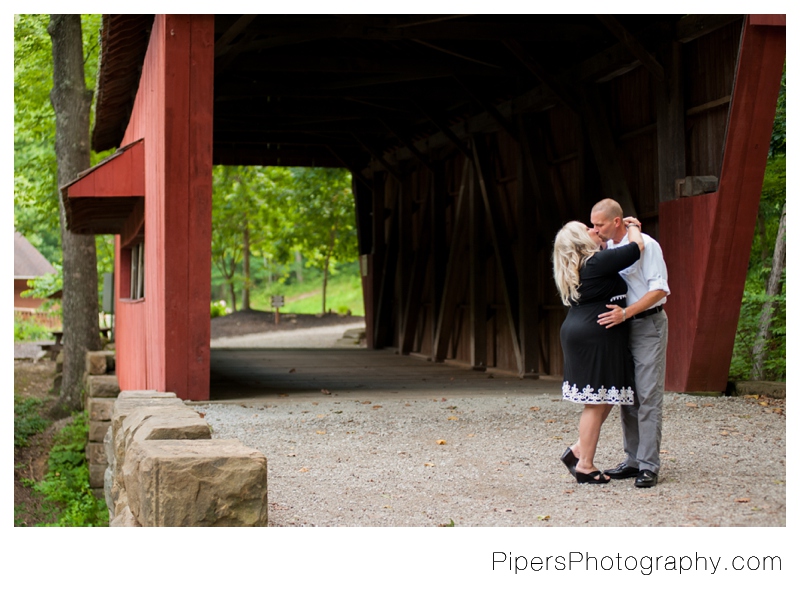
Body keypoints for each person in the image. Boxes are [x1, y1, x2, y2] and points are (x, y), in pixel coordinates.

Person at [553, 220, 644, 484]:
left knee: (606, 396)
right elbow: (636, 248)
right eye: (588, 229)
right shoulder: (595, 262)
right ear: (581, 241)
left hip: (585, 332)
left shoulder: (578, 266)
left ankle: (579, 450)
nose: (595, 230)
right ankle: (585, 466)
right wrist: (634, 225)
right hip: (594, 336)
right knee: (595, 403)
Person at [591, 198, 670, 489]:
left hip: (648, 323)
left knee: (648, 395)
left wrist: (626, 312)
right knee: (629, 397)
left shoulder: (648, 245)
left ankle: (649, 466)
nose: (595, 229)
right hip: (622, 330)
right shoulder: (611, 249)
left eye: (599, 224)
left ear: (616, 221)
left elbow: (660, 289)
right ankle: (633, 460)